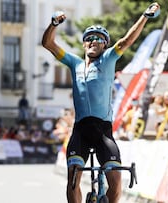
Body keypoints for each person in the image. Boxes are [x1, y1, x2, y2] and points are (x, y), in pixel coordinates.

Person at [42, 3, 160, 203]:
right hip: (80, 131)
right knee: (73, 179)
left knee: (115, 181)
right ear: (84, 44)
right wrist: (53, 24)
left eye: (99, 39)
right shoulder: (74, 63)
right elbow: (48, 44)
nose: (94, 41)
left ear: (105, 45)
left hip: (103, 131)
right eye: (89, 38)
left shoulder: (108, 59)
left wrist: (145, 17)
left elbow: (126, 40)